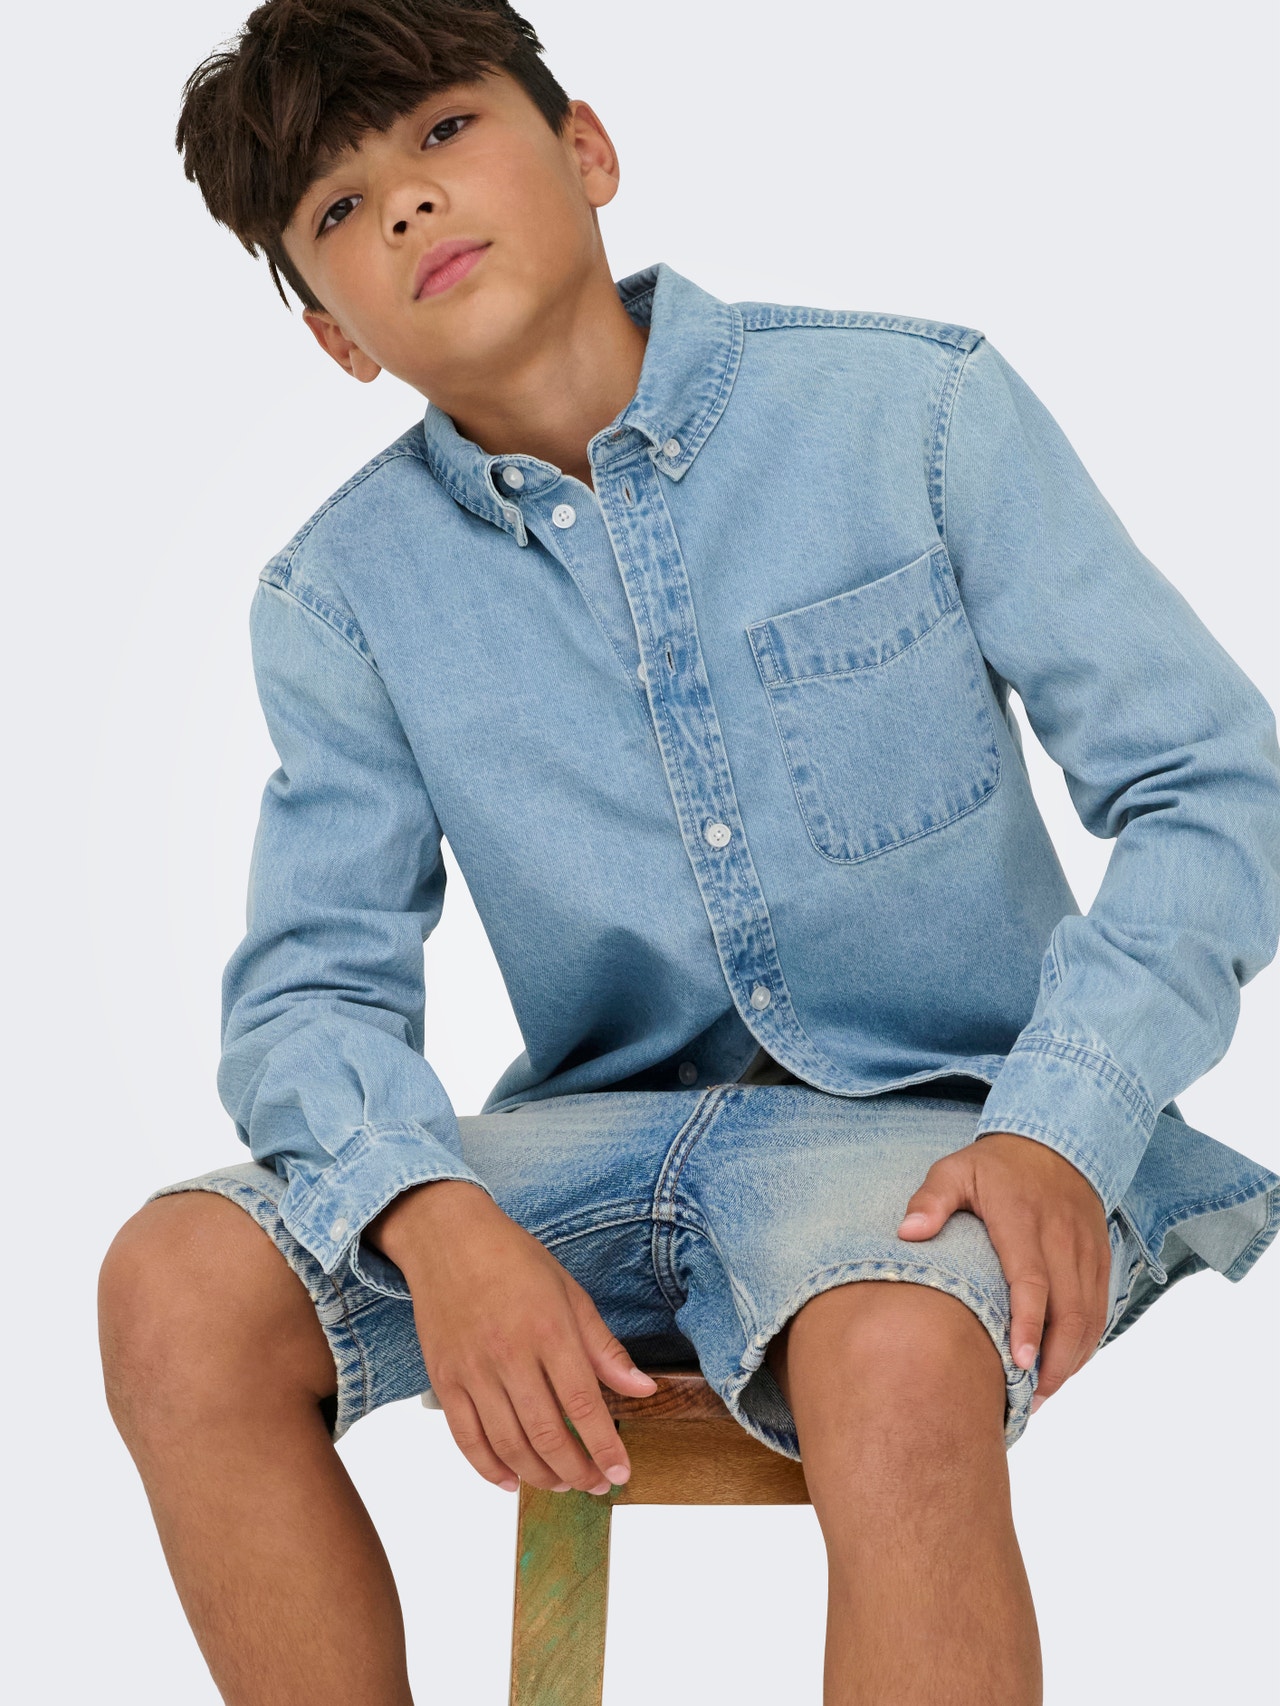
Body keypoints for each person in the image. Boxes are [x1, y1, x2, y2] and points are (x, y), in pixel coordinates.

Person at [96, 3, 1280, 1702]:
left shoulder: (914, 409)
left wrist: (1060, 1117)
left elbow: (1210, 785)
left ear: (588, 149)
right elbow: (309, 992)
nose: (408, 204)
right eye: (339, 209)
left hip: (940, 1133)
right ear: (337, 338)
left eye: (443, 132)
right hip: (585, 1147)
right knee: (174, 1283)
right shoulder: (339, 596)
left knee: (896, 1342)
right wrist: (431, 1210)